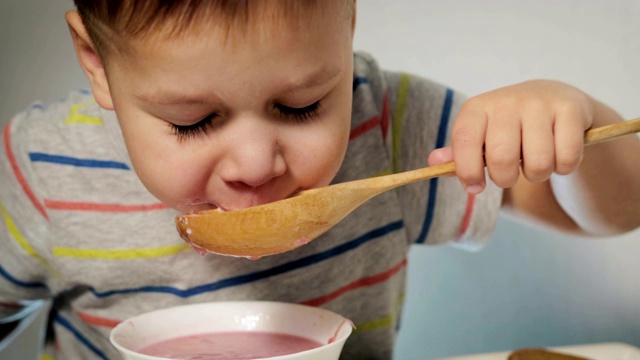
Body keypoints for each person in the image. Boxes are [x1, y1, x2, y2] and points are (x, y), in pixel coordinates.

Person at [1, 1, 638, 359]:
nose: (255, 165)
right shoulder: (41, 164)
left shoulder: (389, 127)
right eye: (193, 121)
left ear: (348, 26)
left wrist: (569, 117)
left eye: (302, 106)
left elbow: (616, 211)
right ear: (98, 64)